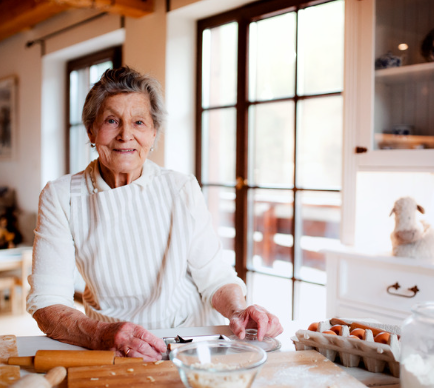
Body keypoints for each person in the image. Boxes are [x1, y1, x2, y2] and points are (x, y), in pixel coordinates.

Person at [27, 66, 283, 361]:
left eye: (138, 122)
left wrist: (239, 312)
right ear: (91, 130)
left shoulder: (180, 187)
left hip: (188, 341)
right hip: (109, 345)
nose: (126, 135)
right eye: (112, 120)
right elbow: (47, 302)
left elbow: (214, 277)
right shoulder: (61, 196)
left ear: (153, 133)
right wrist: (100, 335)